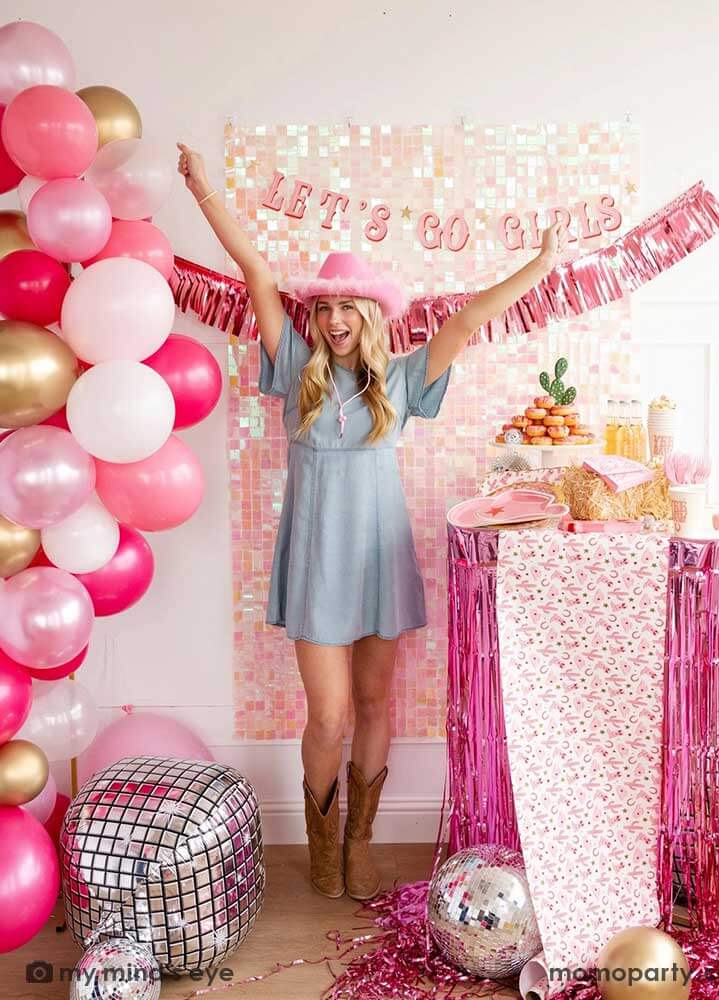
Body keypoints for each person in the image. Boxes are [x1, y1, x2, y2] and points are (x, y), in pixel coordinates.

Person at [177, 142, 565, 901]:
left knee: (375, 704)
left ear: (370, 314)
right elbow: (257, 272)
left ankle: (359, 841)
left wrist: (540, 269)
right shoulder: (294, 368)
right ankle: (323, 843)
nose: (332, 318)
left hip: (381, 558)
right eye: (322, 307)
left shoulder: (401, 378)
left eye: (344, 306)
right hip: (318, 561)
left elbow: (472, 318)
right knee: (327, 717)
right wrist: (202, 194)